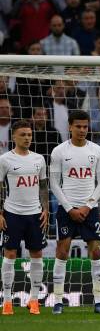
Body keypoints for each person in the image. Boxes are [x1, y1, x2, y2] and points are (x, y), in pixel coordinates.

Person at [50, 110, 100, 314]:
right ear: (70, 126)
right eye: (78, 126)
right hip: (67, 210)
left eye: (85, 126)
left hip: (89, 210)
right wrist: (69, 208)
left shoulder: (97, 150)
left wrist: (87, 206)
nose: (82, 130)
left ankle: (99, 302)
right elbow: (54, 183)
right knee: (62, 252)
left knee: (96, 251)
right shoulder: (59, 151)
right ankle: (57, 301)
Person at [0, 120, 49, 315]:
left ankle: (34, 300)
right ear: (13, 137)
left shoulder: (39, 159)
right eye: (23, 134)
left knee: (36, 255)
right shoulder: (5, 160)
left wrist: (45, 208)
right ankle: (7, 300)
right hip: (12, 213)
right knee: (10, 255)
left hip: (35, 214)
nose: (27, 138)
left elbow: (43, 186)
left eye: (29, 134)